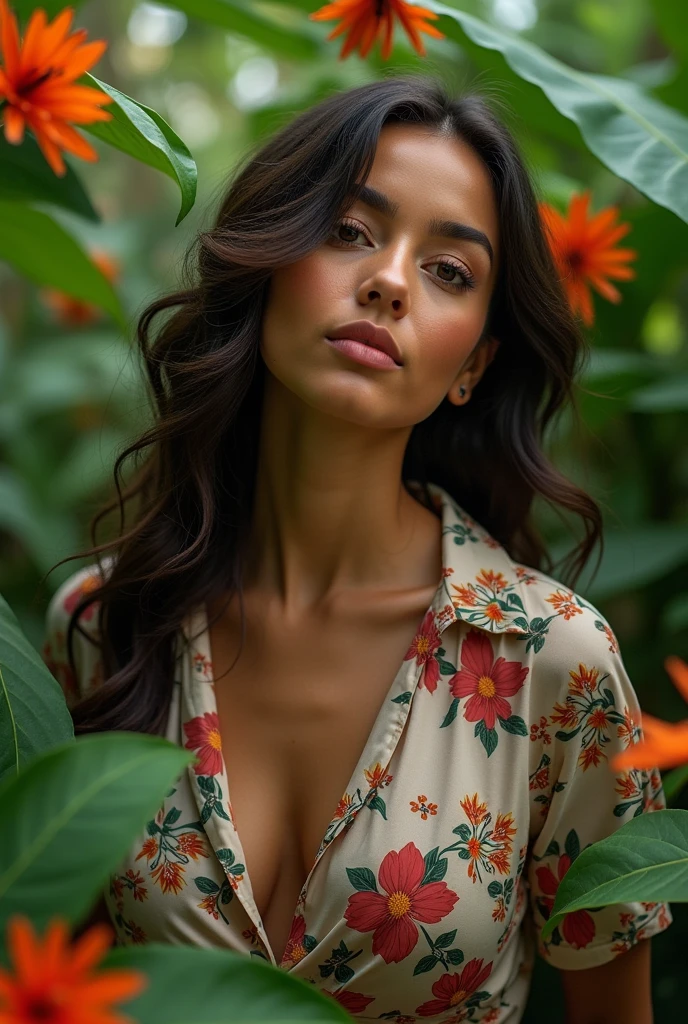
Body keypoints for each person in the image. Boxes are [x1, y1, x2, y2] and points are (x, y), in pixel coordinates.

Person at [41, 75, 672, 1023]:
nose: (387, 280)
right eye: (350, 230)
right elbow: (54, 983)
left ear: (473, 366)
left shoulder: (555, 663)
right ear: (267, 261)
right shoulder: (102, 625)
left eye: (449, 272)